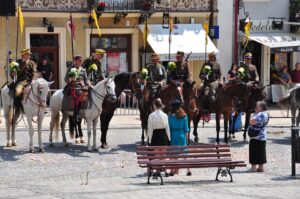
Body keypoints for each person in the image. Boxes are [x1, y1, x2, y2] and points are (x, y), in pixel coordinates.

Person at [168, 99, 191, 176]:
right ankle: (188, 170)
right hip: (182, 135)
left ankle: (172, 170)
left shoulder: (170, 116)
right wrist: (187, 139)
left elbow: (169, 128)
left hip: (173, 135)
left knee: (174, 154)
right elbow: (186, 129)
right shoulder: (184, 115)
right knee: (184, 154)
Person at [248, 101, 269, 172]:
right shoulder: (266, 114)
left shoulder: (260, 114)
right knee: (261, 151)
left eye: (257, 106)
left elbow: (252, 122)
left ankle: (253, 167)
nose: (256, 107)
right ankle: (261, 167)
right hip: (262, 135)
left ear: (262, 107)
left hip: (256, 135)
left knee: (254, 151)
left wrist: (252, 116)